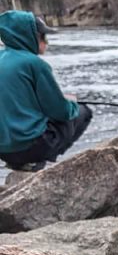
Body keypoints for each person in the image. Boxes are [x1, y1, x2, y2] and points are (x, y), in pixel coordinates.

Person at [0, 11, 92, 172]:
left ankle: (19, 164)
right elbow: (60, 112)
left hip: (4, 151)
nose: (46, 41)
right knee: (84, 112)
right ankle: (43, 160)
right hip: (32, 147)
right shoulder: (34, 63)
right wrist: (71, 103)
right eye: (43, 36)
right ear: (30, 36)